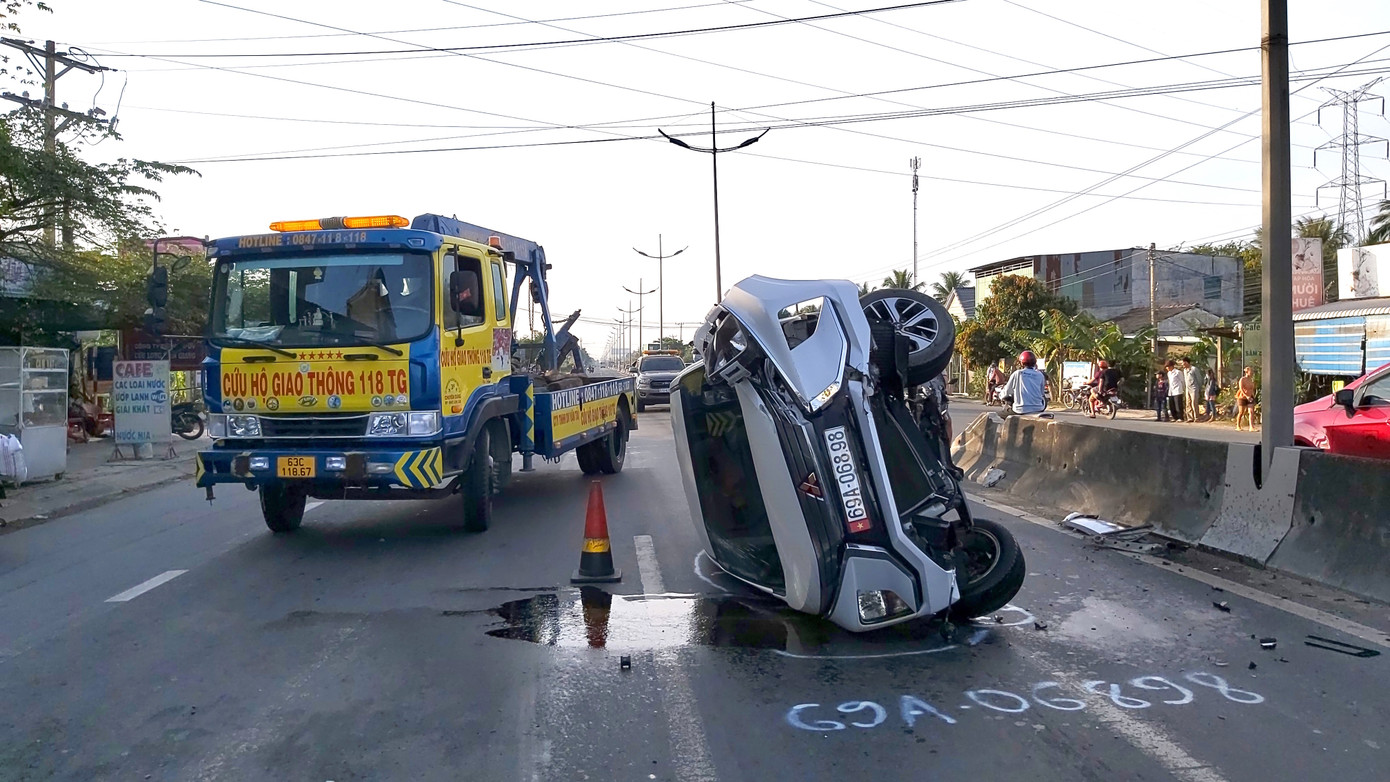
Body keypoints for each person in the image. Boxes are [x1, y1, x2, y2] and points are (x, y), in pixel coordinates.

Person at [1001, 350, 1049, 415]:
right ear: (1034, 362)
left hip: (1020, 410)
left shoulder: (1017, 373)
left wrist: (1002, 396)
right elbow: (1042, 393)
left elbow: (1007, 391)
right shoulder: (1040, 375)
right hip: (1039, 408)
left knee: (1002, 414)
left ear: (1021, 363)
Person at [1235, 367, 1257, 431]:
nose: (1252, 373)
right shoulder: (1242, 379)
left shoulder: (1251, 380)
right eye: (1251, 371)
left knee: (1251, 411)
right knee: (1241, 412)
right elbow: (1241, 389)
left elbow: (1252, 389)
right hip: (1242, 397)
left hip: (1250, 397)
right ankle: (1238, 425)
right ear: (1247, 372)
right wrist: (1246, 396)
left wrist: (1252, 396)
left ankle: (1251, 426)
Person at [1181, 357, 1202, 423]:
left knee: (1194, 403)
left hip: (1194, 388)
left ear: (1186, 362)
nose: (1182, 364)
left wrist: (1199, 388)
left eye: (1183, 362)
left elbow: (1199, 379)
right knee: (1188, 403)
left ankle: (1196, 417)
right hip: (1187, 388)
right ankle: (1190, 417)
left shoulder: (1194, 369)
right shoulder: (1185, 370)